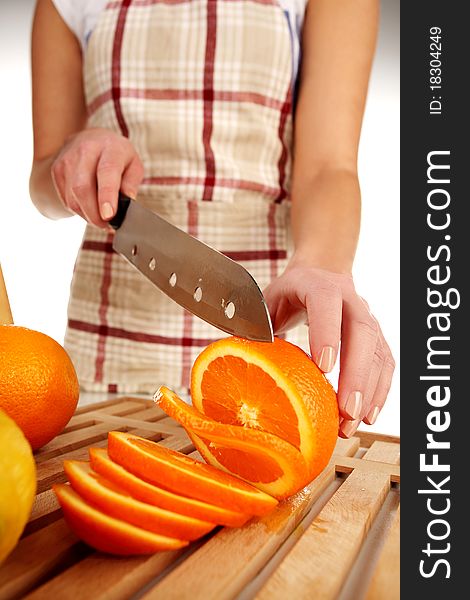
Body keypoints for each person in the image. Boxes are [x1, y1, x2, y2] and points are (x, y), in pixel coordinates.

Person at [29, 0, 395, 439]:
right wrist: (70, 160)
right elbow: (43, 185)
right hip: (105, 356)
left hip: (260, 361)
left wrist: (321, 262)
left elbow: (328, 168)